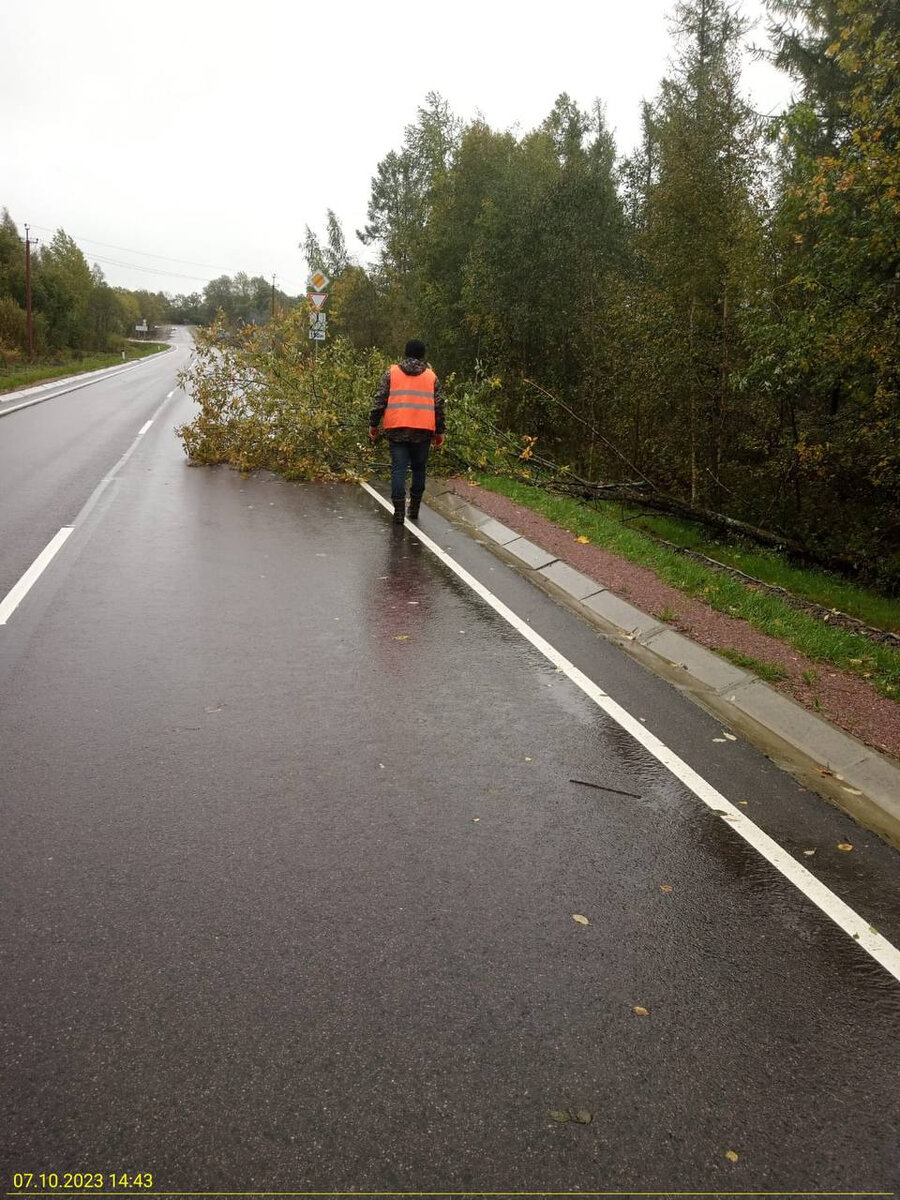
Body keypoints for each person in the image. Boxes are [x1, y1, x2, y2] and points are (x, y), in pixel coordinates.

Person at [369, 339, 445, 524]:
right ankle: (414, 508)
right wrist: (440, 432)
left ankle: (399, 511)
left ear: (405, 353)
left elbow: (379, 401)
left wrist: (373, 425)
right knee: (419, 469)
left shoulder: (391, 373)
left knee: (398, 470)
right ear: (422, 355)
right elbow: (439, 407)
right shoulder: (431, 377)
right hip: (423, 431)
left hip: (397, 430)